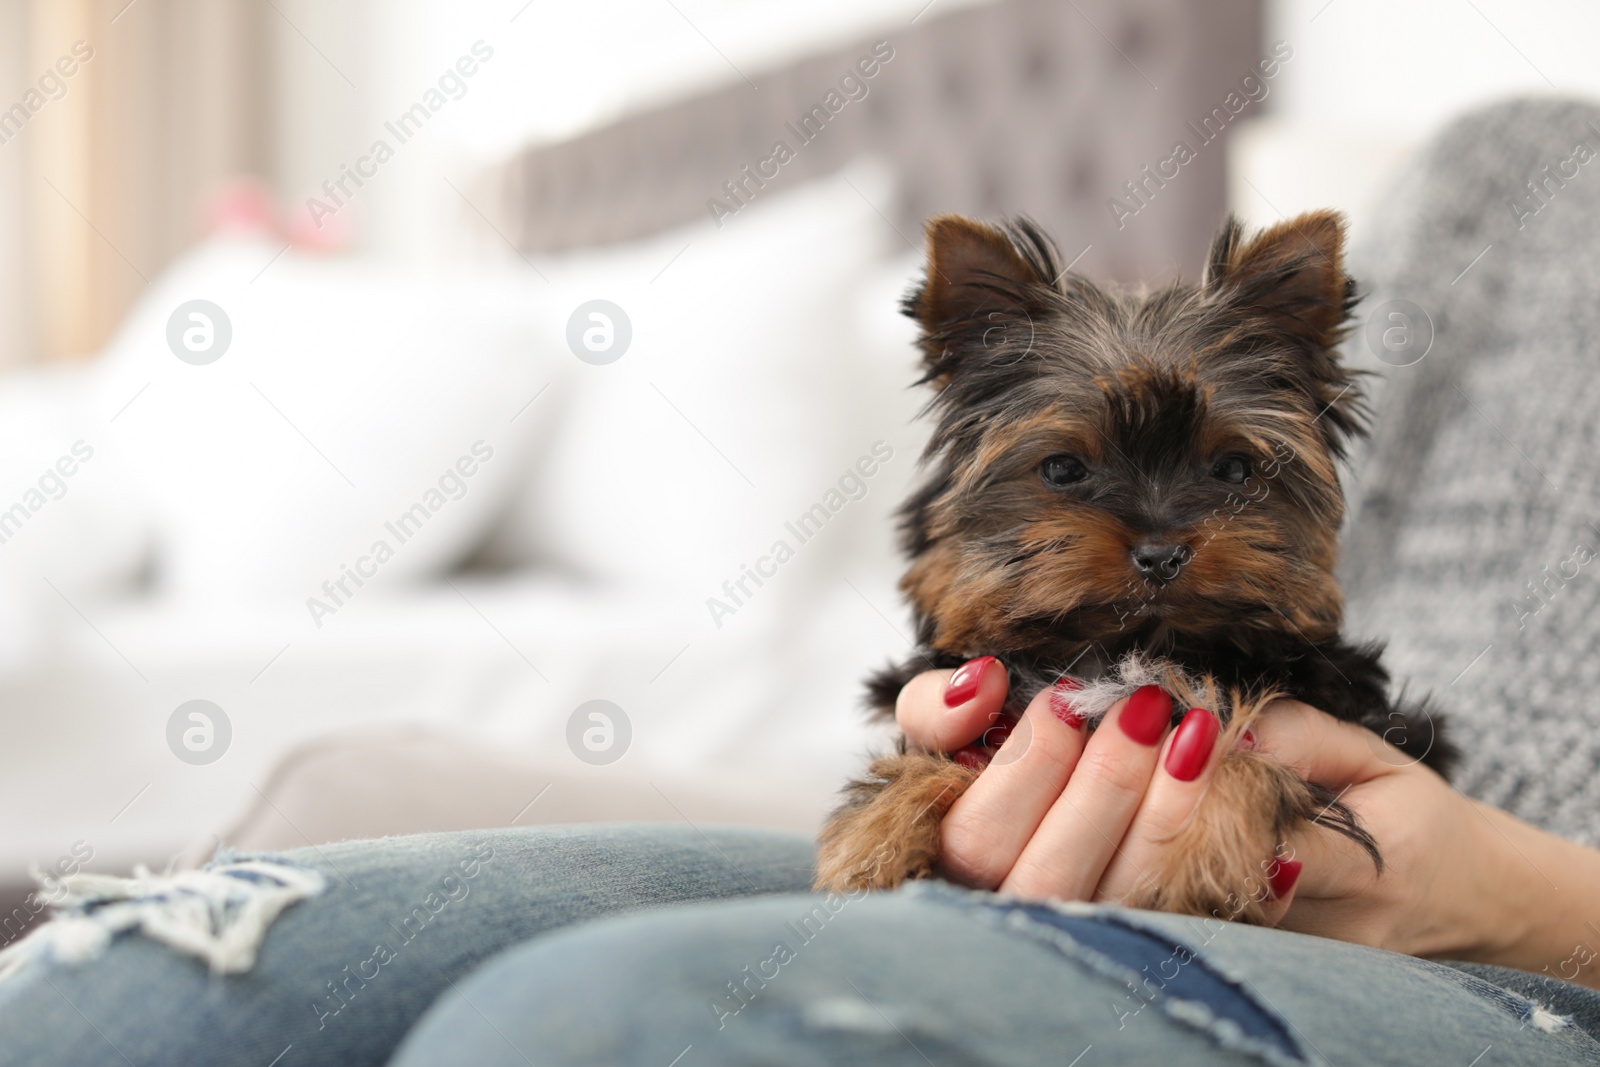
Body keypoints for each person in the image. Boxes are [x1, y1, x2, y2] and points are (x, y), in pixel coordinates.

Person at [5, 98, 1600, 1067]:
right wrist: (919, 798)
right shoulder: (1477, 185)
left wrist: (1512, 895)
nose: (1162, 534)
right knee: (154, 983)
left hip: (1506, 962)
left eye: (1224, 482)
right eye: (1073, 477)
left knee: (599, 1033)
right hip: (1056, 849)